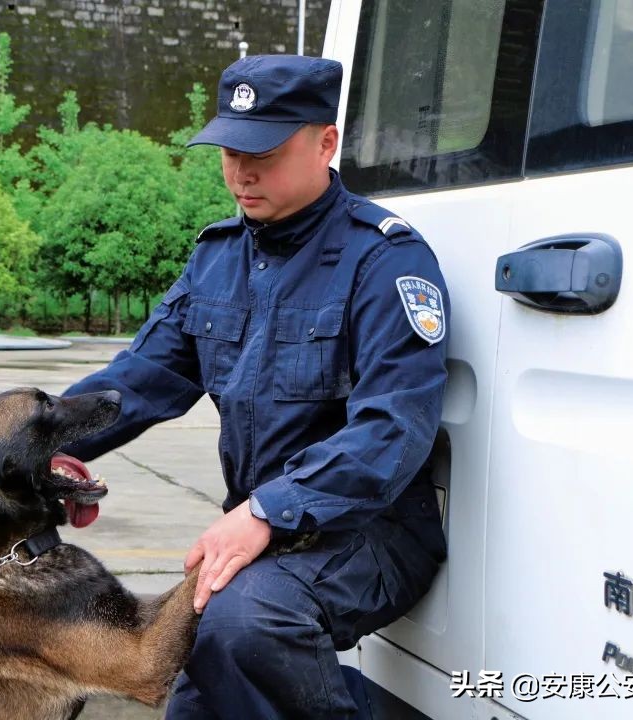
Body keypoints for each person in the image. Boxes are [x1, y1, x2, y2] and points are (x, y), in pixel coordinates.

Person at [61, 54, 449, 719]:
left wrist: (268, 511)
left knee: (244, 625)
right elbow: (142, 376)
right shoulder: (217, 257)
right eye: (229, 150)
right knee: (202, 660)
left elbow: (393, 429)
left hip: (370, 528)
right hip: (262, 528)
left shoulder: (383, 259)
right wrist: (44, 442)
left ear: (326, 142)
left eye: (262, 151)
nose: (241, 170)